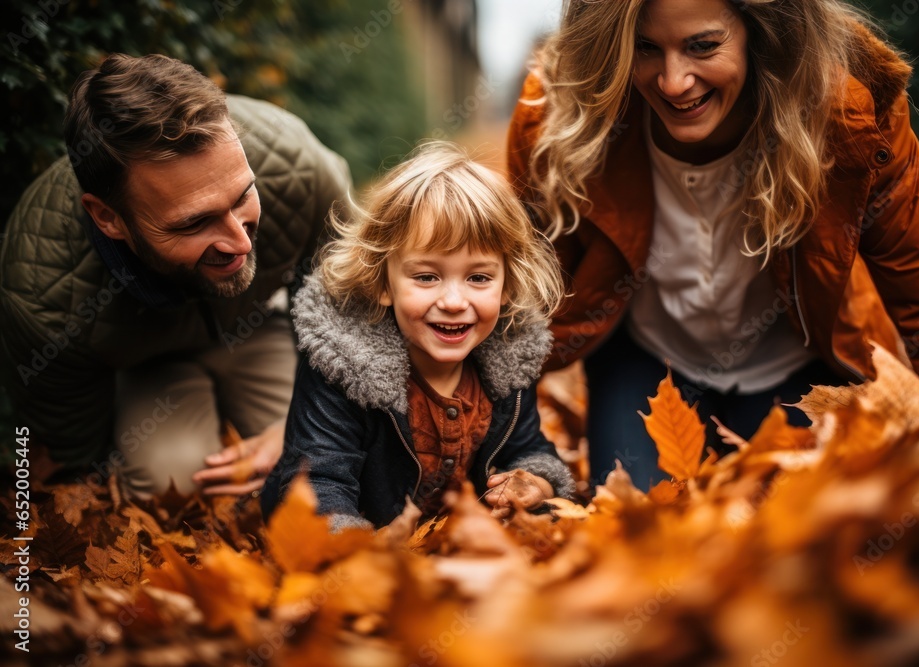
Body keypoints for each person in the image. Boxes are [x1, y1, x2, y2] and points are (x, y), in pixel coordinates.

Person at [506, 0, 919, 489]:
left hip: (797, 364)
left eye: (703, 46)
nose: (674, 81)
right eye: (645, 48)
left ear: (761, 28)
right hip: (645, 361)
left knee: (803, 537)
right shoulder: (558, 116)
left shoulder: (848, 111)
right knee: (636, 523)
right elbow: (515, 298)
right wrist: (498, 450)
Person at [0, 53, 352, 496]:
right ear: (107, 217)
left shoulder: (299, 166)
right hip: (147, 364)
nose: (241, 243)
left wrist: (299, 422)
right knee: (173, 484)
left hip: (263, 323)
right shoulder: (41, 291)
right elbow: (68, 461)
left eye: (243, 196)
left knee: (321, 451)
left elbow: (357, 318)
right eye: (193, 222)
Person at [260, 142, 576, 530]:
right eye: (426, 277)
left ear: (506, 286)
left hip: (460, 550)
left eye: (479, 278)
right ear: (383, 283)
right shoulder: (343, 368)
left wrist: (533, 483)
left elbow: (528, 448)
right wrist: (362, 555)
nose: (454, 301)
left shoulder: (506, 366)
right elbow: (317, 482)